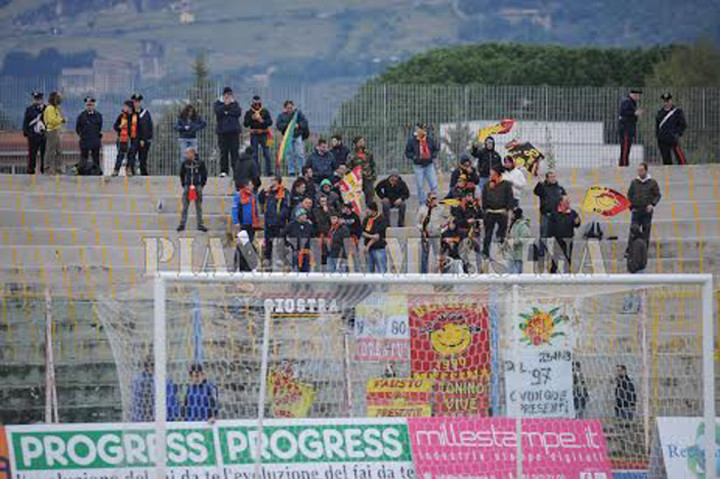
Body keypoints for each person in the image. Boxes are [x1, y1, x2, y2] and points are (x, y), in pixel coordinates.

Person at [533, 171, 567, 269]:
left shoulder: (560, 189)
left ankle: (556, 254)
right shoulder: (543, 187)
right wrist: (539, 183)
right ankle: (541, 254)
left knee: (557, 236)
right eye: (551, 177)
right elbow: (536, 191)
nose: (553, 178)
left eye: (554, 176)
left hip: (557, 216)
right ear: (547, 178)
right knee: (544, 235)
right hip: (546, 215)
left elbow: (564, 199)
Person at [130, 358, 180, 422]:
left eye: (152, 366)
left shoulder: (165, 381)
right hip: (153, 419)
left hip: (154, 419)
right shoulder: (139, 380)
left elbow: (171, 401)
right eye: (148, 366)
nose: (150, 368)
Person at [481, 167, 514, 259]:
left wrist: (508, 211)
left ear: (498, 175)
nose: (490, 175)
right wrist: (485, 210)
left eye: (492, 174)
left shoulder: (506, 184)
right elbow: (484, 198)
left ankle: (501, 253)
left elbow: (510, 198)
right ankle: (485, 252)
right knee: (488, 234)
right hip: (490, 212)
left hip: (502, 212)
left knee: (501, 234)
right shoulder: (487, 185)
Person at [627, 162, 661, 249]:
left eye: (641, 170)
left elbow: (657, 195)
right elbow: (629, 196)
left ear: (646, 171)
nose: (640, 172)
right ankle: (630, 250)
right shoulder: (634, 182)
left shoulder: (652, 182)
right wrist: (631, 207)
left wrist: (652, 204)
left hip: (647, 211)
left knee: (646, 231)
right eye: (638, 170)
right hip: (636, 210)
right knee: (633, 229)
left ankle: (644, 252)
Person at [258, 175, 290, 267]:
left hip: (279, 222)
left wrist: (279, 217)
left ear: (278, 181)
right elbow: (261, 199)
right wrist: (262, 193)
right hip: (269, 221)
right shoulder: (268, 191)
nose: (271, 182)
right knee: (268, 241)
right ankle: (267, 258)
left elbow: (286, 207)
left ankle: (281, 258)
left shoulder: (284, 192)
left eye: (273, 180)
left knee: (280, 241)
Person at [177, 148, 208, 232]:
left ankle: (200, 224)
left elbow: (204, 174)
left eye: (188, 153)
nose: (186, 155)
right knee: (185, 206)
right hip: (187, 186)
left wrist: (201, 184)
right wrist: (184, 184)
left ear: (193, 153)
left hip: (197, 186)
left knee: (198, 206)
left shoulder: (200, 163)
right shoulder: (184, 163)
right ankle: (182, 224)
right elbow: (181, 174)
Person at [405, 124, 438, 201]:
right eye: (419, 129)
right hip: (418, 166)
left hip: (429, 165)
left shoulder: (429, 139)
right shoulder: (412, 140)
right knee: (420, 186)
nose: (421, 131)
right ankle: (422, 203)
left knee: (434, 184)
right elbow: (407, 152)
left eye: (423, 129)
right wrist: (414, 157)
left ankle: (433, 202)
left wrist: (432, 156)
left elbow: (435, 150)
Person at [214, 87, 242, 178]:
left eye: (230, 94)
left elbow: (237, 112)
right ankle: (224, 171)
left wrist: (227, 110)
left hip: (234, 132)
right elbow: (218, 112)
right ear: (224, 95)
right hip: (222, 132)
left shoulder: (235, 103)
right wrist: (225, 106)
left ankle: (236, 171)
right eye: (227, 94)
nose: (229, 96)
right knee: (223, 152)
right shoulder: (218, 103)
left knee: (235, 152)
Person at [276, 100, 309, 176]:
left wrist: (298, 125)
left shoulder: (298, 114)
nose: (290, 109)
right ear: (285, 108)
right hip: (288, 137)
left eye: (291, 107)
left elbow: (305, 122)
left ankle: (301, 171)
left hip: (297, 136)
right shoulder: (281, 116)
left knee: (300, 154)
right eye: (288, 108)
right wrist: (288, 125)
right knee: (289, 154)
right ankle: (291, 171)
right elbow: (278, 125)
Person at [548, 196, 581, 273]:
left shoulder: (573, 213)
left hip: (568, 239)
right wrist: (550, 236)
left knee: (568, 256)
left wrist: (578, 222)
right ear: (561, 202)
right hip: (557, 239)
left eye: (568, 201)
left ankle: (567, 273)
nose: (568, 203)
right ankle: (553, 272)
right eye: (566, 201)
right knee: (555, 257)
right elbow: (550, 225)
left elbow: (577, 224)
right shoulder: (555, 213)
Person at [416, 193, 446, 274]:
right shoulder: (422, 209)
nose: (435, 200)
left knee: (438, 255)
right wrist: (423, 229)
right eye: (433, 198)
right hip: (426, 235)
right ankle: (423, 274)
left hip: (436, 234)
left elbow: (447, 219)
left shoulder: (440, 209)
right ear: (428, 199)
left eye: (436, 198)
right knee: (424, 256)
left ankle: (439, 272)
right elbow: (417, 223)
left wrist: (442, 228)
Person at [243, 95, 274, 175]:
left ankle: (269, 172)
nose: (257, 105)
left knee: (267, 153)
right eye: (255, 103)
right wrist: (251, 118)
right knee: (254, 154)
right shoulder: (249, 112)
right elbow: (245, 124)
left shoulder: (265, 111)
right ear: (252, 103)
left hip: (264, 134)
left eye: (258, 103)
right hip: (254, 135)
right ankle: (256, 172)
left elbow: (270, 122)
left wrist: (261, 120)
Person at [656, 92, 688, 165]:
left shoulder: (677, 112)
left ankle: (685, 170)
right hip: (662, 139)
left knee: (680, 157)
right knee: (666, 159)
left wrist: (677, 133)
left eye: (668, 101)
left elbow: (683, 124)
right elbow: (657, 126)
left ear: (671, 101)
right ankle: (668, 174)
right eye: (665, 101)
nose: (667, 103)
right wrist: (658, 136)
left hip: (673, 138)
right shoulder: (660, 113)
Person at [75, 96, 103, 175]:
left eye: (91, 105)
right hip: (85, 140)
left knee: (96, 158)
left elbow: (99, 127)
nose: (89, 106)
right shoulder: (81, 116)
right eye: (88, 105)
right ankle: (82, 172)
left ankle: (97, 173)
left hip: (95, 140)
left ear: (94, 105)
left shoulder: (98, 115)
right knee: (84, 158)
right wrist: (82, 135)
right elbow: (78, 128)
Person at [347, 136, 377, 206]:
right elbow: (348, 168)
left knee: (370, 196)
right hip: (356, 180)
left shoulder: (368, 153)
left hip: (368, 178)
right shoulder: (351, 155)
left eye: (363, 141)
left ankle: (370, 212)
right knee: (355, 198)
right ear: (356, 144)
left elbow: (373, 165)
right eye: (360, 142)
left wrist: (374, 176)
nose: (363, 143)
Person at [112, 101, 138, 176]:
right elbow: (115, 126)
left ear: (130, 108)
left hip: (132, 139)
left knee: (131, 155)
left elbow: (138, 128)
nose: (124, 108)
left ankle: (129, 169)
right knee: (120, 155)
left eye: (126, 106)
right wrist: (119, 127)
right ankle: (116, 170)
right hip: (123, 139)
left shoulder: (135, 116)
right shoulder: (121, 116)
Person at [618, 88, 643, 167]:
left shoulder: (631, 102)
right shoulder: (627, 102)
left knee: (626, 148)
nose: (639, 97)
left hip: (629, 129)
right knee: (625, 149)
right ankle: (624, 165)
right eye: (638, 95)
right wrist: (634, 113)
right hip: (626, 129)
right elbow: (624, 112)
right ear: (635, 95)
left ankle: (624, 164)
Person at [23, 91, 46, 174]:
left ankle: (44, 170)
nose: (36, 101)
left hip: (44, 136)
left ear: (42, 100)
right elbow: (26, 122)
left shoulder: (46, 109)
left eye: (38, 99)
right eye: (35, 99)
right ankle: (31, 171)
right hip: (33, 136)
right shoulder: (29, 109)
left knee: (45, 154)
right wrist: (27, 133)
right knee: (32, 154)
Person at [284, 208, 314, 272]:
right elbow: (282, 234)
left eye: (305, 215)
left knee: (306, 271)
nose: (304, 216)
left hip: (306, 252)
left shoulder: (308, 225)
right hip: (296, 251)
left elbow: (313, 235)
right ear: (298, 216)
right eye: (302, 215)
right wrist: (288, 244)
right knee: (296, 271)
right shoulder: (292, 225)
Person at [362, 202, 388, 274]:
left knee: (381, 270)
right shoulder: (367, 219)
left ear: (373, 210)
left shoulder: (381, 219)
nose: (366, 211)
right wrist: (371, 236)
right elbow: (363, 233)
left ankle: (383, 285)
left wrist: (368, 246)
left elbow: (377, 236)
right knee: (369, 271)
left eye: (368, 209)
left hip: (378, 248)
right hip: (369, 249)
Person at [43, 91, 65, 175]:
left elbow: (58, 117)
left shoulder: (55, 108)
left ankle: (58, 169)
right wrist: (61, 120)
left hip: (56, 131)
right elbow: (51, 120)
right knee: (50, 150)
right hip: (51, 131)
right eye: (57, 98)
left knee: (58, 151)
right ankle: (47, 168)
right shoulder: (50, 108)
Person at [505, 208, 531, 274]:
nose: (511, 215)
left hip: (518, 254)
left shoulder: (522, 225)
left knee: (516, 274)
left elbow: (526, 238)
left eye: (513, 214)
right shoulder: (513, 224)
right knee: (510, 272)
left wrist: (515, 241)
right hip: (511, 253)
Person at [132, 93, 153, 176]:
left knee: (143, 158)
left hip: (144, 140)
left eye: (138, 102)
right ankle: (132, 171)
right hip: (134, 139)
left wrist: (146, 139)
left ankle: (143, 172)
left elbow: (148, 127)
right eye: (135, 102)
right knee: (132, 156)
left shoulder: (145, 113)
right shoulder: (130, 114)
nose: (137, 104)